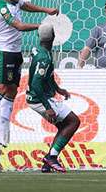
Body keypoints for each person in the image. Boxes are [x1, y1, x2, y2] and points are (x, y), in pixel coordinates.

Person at [0, 0, 58, 146]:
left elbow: (25, 5)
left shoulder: (15, 1)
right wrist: (40, 26)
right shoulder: (2, 7)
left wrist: (46, 10)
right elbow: (19, 26)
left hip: (15, 51)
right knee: (1, 87)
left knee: (12, 89)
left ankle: (3, 127)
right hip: (2, 51)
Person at [26, 23, 81, 173]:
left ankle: (48, 161)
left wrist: (58, 89)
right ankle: (51, 157)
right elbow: (37, 83)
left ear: (39, 37)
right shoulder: (45, 57)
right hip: (39, 98)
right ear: (54, 37)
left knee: (64, 126)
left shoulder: (38, 50)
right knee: (74, 121)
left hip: (37, 96)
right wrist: (48, 108)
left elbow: (46, 76)